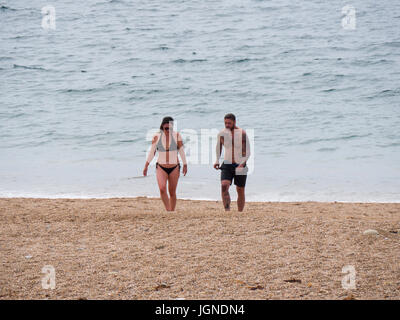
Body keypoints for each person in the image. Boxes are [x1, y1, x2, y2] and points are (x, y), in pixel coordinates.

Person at [143, 117, 187, 211]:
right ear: (162, 127)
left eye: (170, 128)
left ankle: (172, 210)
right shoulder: (157, 137)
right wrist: (146, 165)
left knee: (172, 192)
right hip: (161, 167)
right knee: (162, 188)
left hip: (174, 167)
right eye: (166, 128)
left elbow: (181, 151)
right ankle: (168, 210)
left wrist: (185, 164)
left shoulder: (177, 136)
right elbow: (152, 152)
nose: (168, 130)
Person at [214, 113, 250, 212]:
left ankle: (240, 212)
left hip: (240, 164)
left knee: (240, 189)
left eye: (229, 123)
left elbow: (247, 152)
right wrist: (217, 160)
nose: (227, 125)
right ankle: (227, 211)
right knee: (224, 186)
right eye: (225, 123)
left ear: (234, 122)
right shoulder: (222, 133)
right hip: (227, 163)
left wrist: (242, 164)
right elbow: (218, 147)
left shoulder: (242, 133)